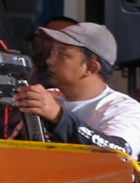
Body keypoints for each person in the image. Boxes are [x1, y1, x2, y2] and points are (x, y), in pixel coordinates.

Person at [12, 22, 140, 153]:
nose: (50, 61)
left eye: (62, 54)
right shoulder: (48, 98)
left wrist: (59, 117)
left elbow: (119, 152)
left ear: (91, 68)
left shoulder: (122, 108)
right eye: (52, 52)